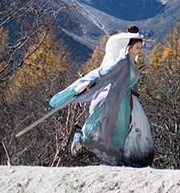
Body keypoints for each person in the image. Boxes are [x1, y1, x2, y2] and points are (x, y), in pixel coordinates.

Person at [52, 26, 154, 167]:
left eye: (140, 47)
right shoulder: (122, 63)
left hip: (129, 100)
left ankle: (128, 156)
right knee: (110, 126)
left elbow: (133, 83)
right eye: (137, 47)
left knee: (131, 128)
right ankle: (82, 139)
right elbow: (105, 74)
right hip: (117, 98)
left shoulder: (133, 64)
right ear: (128, 48)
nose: (140, 50)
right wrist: (91, 84)